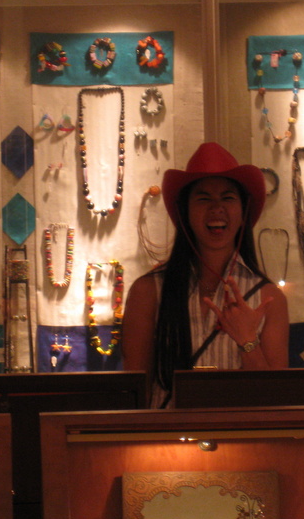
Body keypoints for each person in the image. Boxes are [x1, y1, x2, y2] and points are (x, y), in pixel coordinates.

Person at [122, 142, 289, 407]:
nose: (216, 208)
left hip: (241, 442)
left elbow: (277, 400)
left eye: (228, 197)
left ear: (243, 211)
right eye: (203, 198)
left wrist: (248, 341)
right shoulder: (148, 290)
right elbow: (133, 393)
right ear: (185, 212)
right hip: (167, 442)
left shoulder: (269, 297)